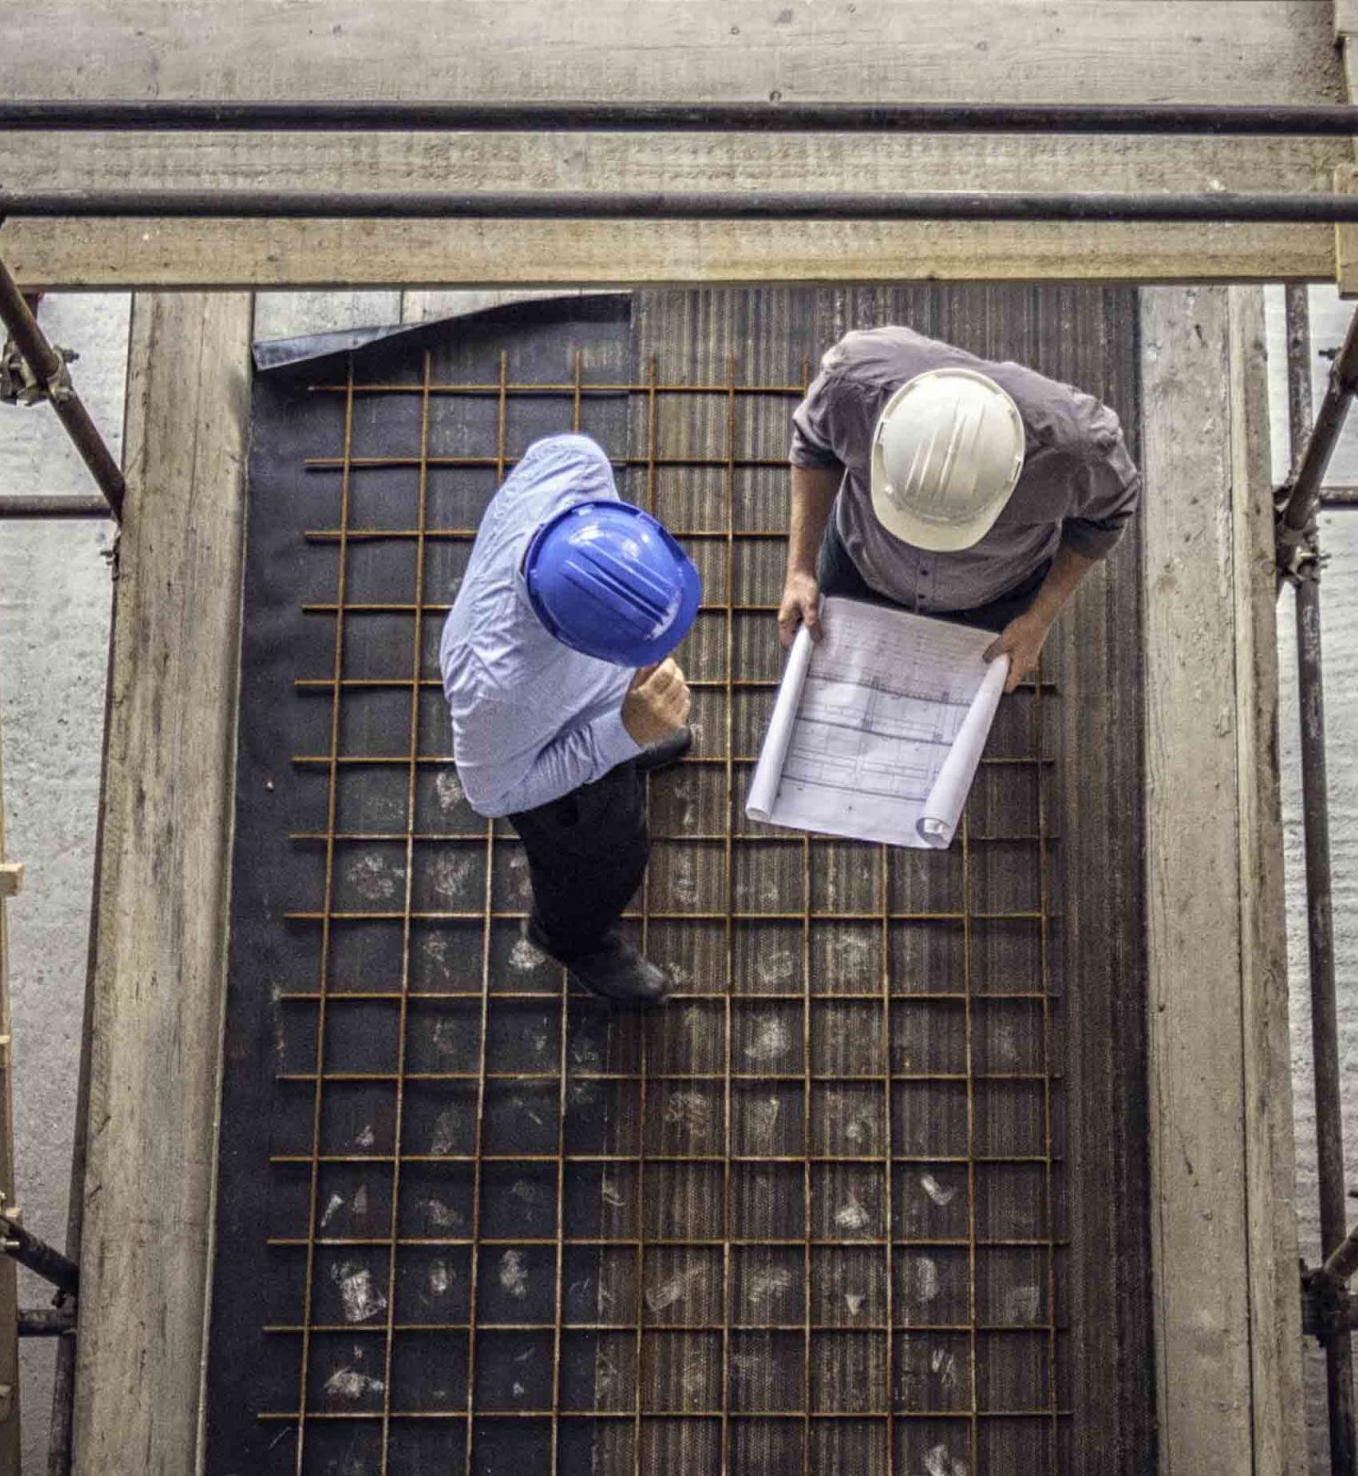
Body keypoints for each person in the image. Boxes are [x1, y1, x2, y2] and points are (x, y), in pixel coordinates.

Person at [441, 433, 703, 1007]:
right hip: (541, 750)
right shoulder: (497, 689)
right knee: (609, 857)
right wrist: (620, 734)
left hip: (586, 703)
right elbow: (493, 792)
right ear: (573, 642)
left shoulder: (574, 465)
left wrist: (628, 715)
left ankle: (631, 744)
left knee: (629, 756)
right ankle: (571, 938)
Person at [776, 327, 1142, 685]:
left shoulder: (1076, 451)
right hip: (860, 567)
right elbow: (814, 447)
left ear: (1013, 475)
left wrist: (1038, 619)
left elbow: (1108, 515)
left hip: (993, 596)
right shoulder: (853, 388)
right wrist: (800, 571)